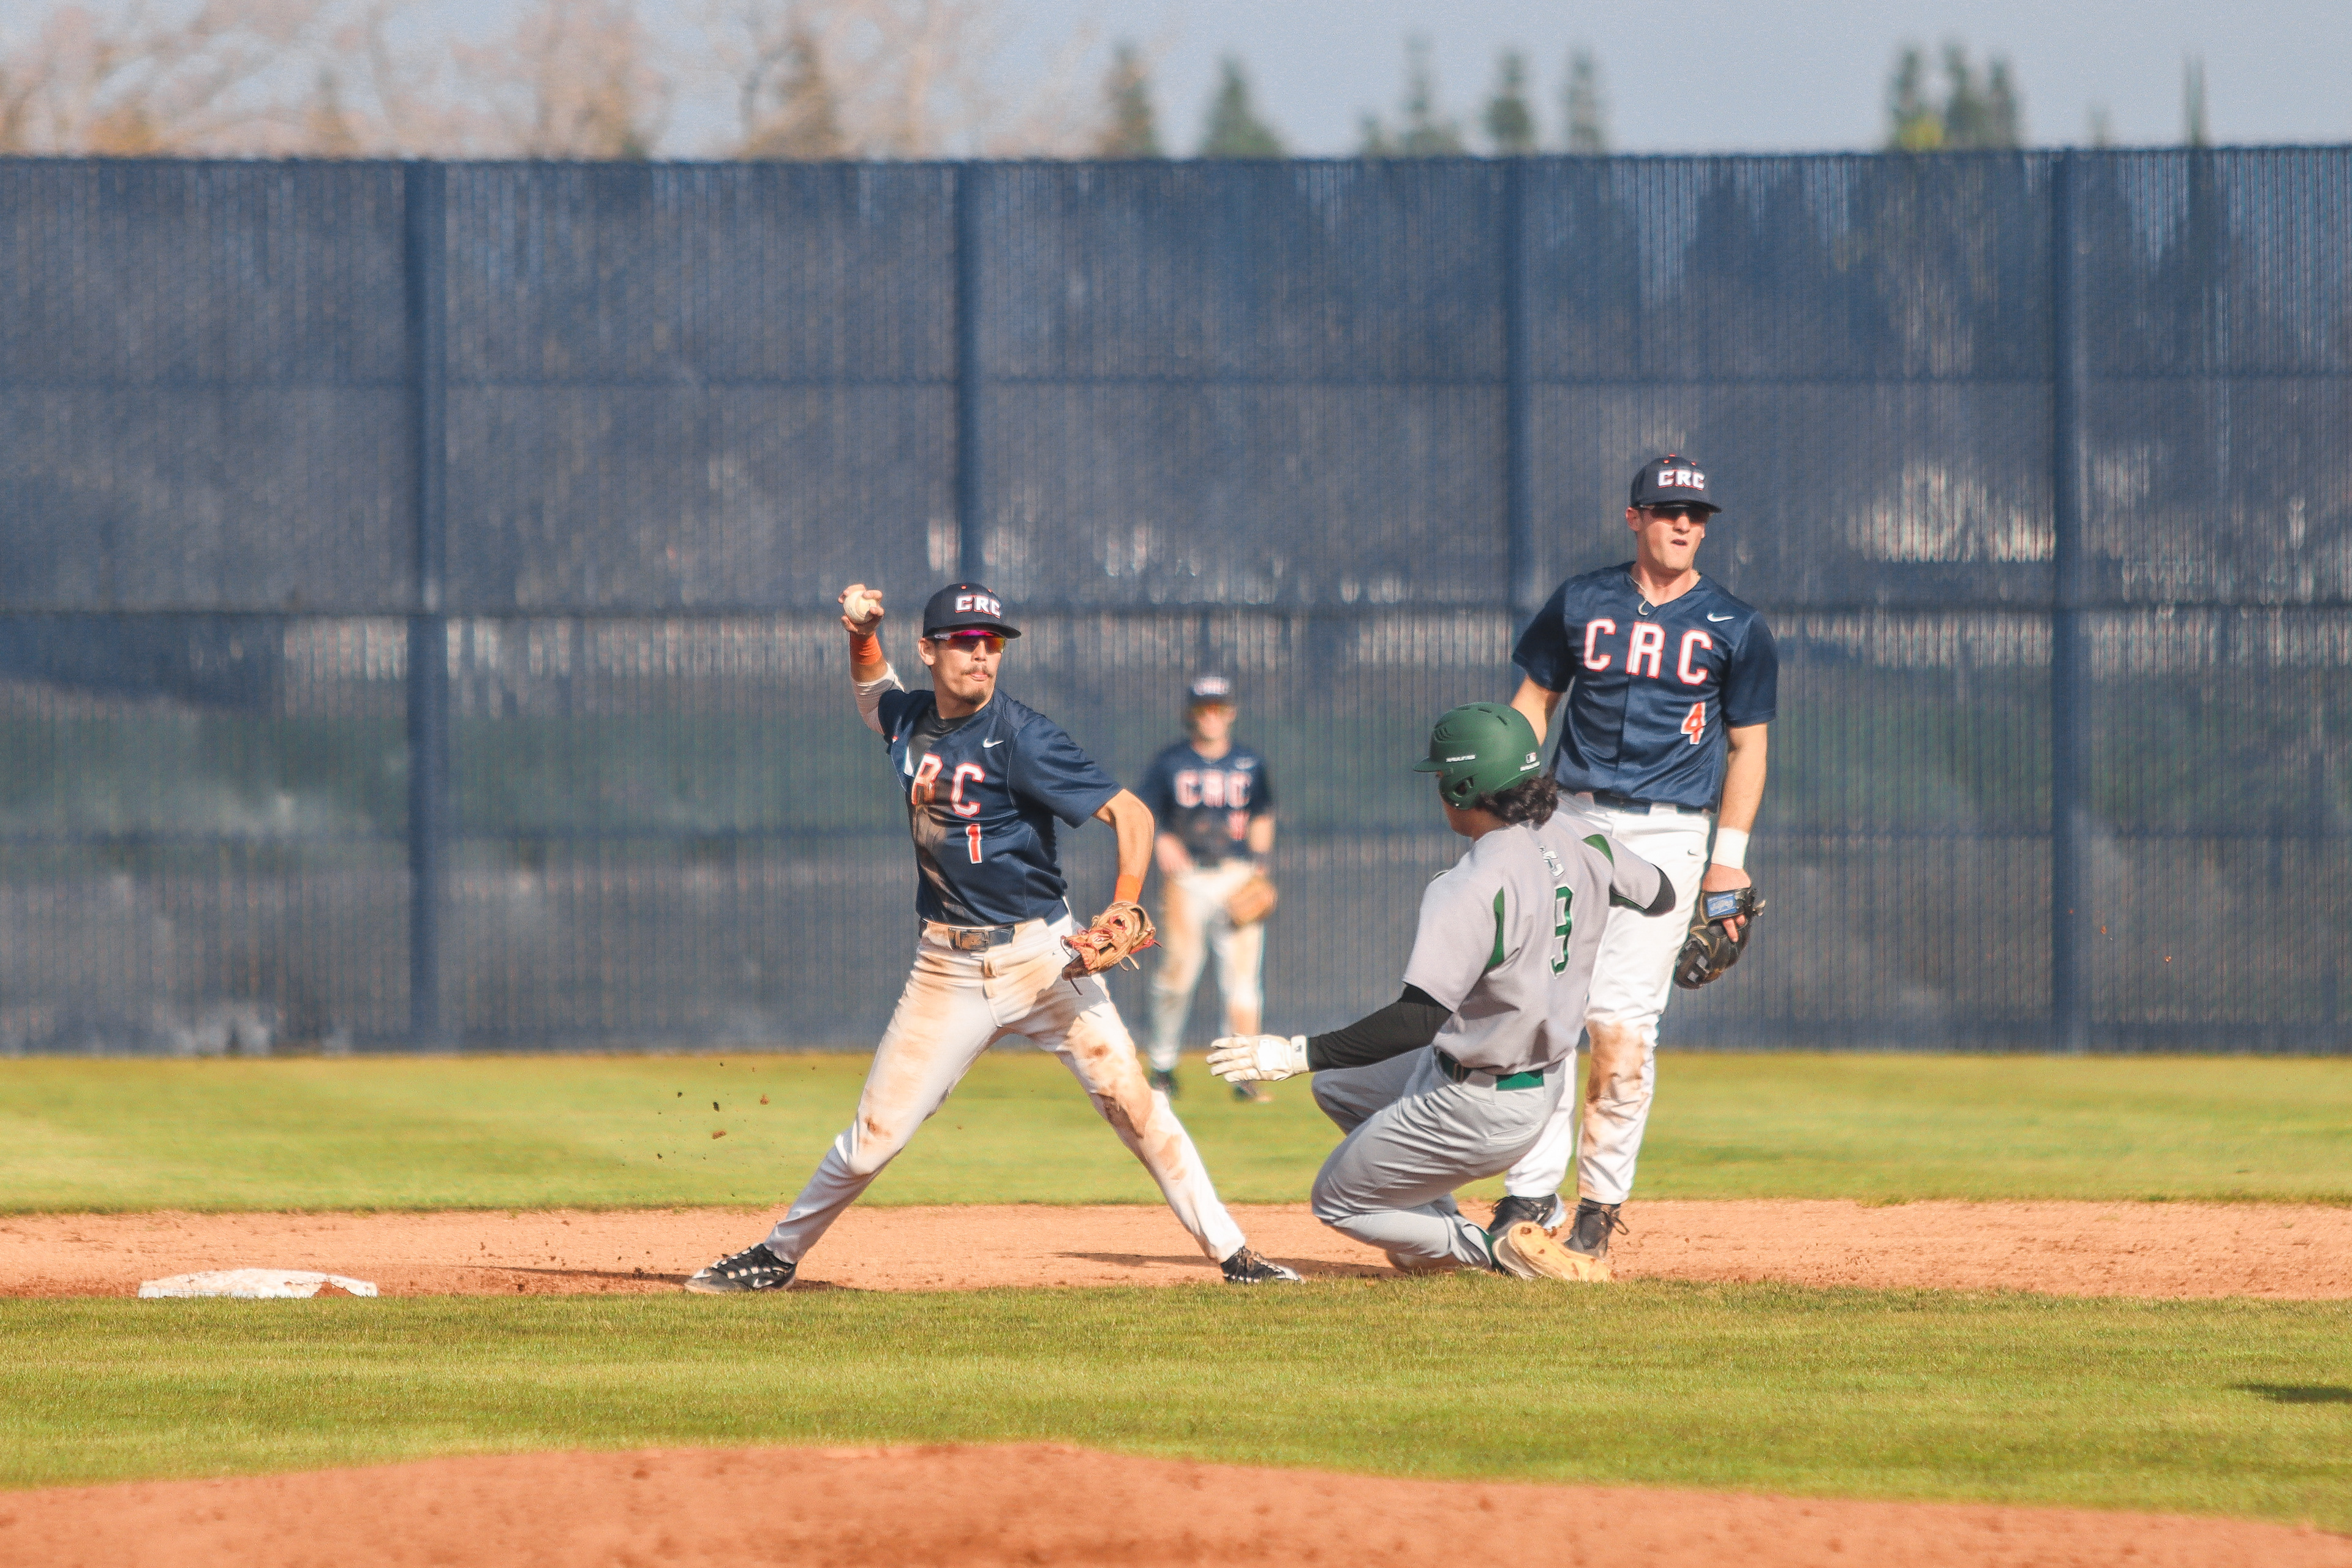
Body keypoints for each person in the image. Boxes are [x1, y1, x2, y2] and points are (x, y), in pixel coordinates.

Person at [686, 580, 1300, 1292]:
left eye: (993, 644)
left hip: (1046, 960)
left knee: (1135, 1104)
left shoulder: (1023, 736)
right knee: (872, 1140)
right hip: (945, 968)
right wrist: (860, 635)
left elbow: (1132, 814)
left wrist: (1125, 904)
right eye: (966, 642)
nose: (982, 656)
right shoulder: (910, 721)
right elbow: (873, 693)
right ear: (930, 650)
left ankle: (1235, 1255)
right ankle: (777, 1254)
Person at [1204, 703, 1673, 1278]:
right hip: (1539, 1084)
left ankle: (1493, 1251)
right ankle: (1435, 1235)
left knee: (1336, 1200)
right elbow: (1661, 894)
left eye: (1442, 777)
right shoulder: (1580, 836)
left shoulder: (1472, 883)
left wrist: (1294, 1053)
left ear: (1464, 786)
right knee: (1340, 1086)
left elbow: (1416, 1020)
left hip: (1477, 1104)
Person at [1491, 454, 1778, 1273]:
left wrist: (1728, 864)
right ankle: (1529, 1196)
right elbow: (1534, 701)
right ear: (1634, 518)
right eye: (1666, 510)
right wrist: (1509, 798)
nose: (1683, 524)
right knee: (1544, 1012)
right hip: (1571, 820)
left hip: (1670, 833)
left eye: (1696, 514)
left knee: (1620, 1025)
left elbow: (1749, 747)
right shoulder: (1582, 601)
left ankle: (1599, 1209)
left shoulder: (1736, 625)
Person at [1136, 674, 1278, 1102]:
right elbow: (1145, 811)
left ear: (1231, 712)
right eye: (1204, 708)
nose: (1211, 715)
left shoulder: (1249, 762)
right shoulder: (1171, 762)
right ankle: (1163, 1066)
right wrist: (1162, 840)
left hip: (1237, 874)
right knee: (1178, 974)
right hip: (1189, 878)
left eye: (1218, 707)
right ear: (1191, 713)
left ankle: (1244, 1073)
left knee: (1242, 980)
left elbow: (1262, 814)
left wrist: (1260, 868)